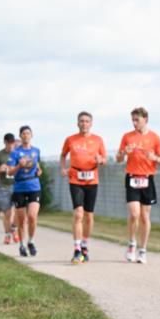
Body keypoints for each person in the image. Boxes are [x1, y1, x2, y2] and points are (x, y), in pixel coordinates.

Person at [116, 107, 160, 264]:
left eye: (137, 120)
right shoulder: (127, 137)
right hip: (132, 178)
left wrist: (154, 157)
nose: (134, 123)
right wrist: (124, 153)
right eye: (133, 120)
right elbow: (118, 159)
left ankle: (142, 250)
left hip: (147, 179)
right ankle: (131, 243)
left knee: (144, 216)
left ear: (145, 119)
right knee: (134, 213)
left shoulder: (155, 138)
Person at [60, 111, 107, 264]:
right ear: (77, 123)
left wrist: (100, 160)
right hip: (75, 178)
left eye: (87, 121)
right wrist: (62, 168)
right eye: (81, 121)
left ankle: (85, 245)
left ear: (91, 123)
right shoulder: (70, 139)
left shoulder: (98, 140)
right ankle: (77, 249)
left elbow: (104, 159)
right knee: (78, 214)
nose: (84, 123)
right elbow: (63, 155)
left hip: (92, 179)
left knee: (88, 215)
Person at [6, 126, 43, 256]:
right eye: (23, 134)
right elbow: (9, 172)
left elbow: (37, 166)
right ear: (20, 136)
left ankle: (31, 241)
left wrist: (39, 171)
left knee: (32, 216)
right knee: (22, 220)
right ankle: (22, 245)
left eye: (28, 133)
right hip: (19, 187)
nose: (26, 135)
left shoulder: (36, 151)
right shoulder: (15, 153)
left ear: (31, 135)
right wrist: (19, 166)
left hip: (34, 186)